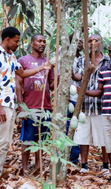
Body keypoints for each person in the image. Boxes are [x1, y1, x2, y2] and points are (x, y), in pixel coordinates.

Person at [0, 27, 50, 176]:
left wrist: (42, 67)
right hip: (2, 105)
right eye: (16, 41)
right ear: (7, 39)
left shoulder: (11, 56)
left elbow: (21, 73)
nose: (17, 44)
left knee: (5, 143)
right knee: (2, 142)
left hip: (10, 105)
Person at [83, 42, 111, 181]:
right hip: (106, 113)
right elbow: (100, 91)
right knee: (110, 145)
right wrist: (84, 92)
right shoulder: (104, 70)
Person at [16, 34, 54, 173]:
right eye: (39, 41)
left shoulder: (48, 62)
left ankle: (39, 166)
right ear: (32, 43)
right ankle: (25, 167)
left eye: (44, 41)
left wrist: (61, 75)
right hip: (29, 106)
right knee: (27, 139)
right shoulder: (23, 60)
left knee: (42, 139)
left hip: (45, 106)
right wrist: (21, 105)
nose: (42, 43)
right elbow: (18, 84)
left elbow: (52, 85)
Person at [74, 34, 110, 174]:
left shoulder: (108, 60)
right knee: (83, 136)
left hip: (102, 106)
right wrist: (70, 73)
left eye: (96, 41)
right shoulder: (82, 60)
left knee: (103, 137)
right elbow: (78, 76)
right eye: (90, 41)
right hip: (84, 106)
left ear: (101, 43)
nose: (92, 43)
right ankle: (84, 165)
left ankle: (106, 165)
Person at [62, 35, 84, 165]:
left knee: (76, 130)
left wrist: (70, 71)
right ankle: (62, 158)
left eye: (82, 41)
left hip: (77, 99)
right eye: (77, 39)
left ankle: (73, 160)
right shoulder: (63, 52)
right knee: (63, 129)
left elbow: (77, 77)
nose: (79, 42)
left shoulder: (83, 59)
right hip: (64, 98)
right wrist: (78, 30)